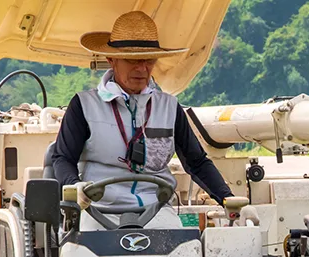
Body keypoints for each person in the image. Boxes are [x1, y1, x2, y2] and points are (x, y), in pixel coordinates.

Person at [46, 11, 232, 229]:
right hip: (98, 210)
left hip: (157, 210)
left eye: (148, 60)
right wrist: (74, 186)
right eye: (132, 60)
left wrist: (227, 200)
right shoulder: (84, 105)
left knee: (183, 249)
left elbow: (197, 162)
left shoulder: (170, 107)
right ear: (111, 60)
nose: (142, 68)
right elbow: (62, 158)